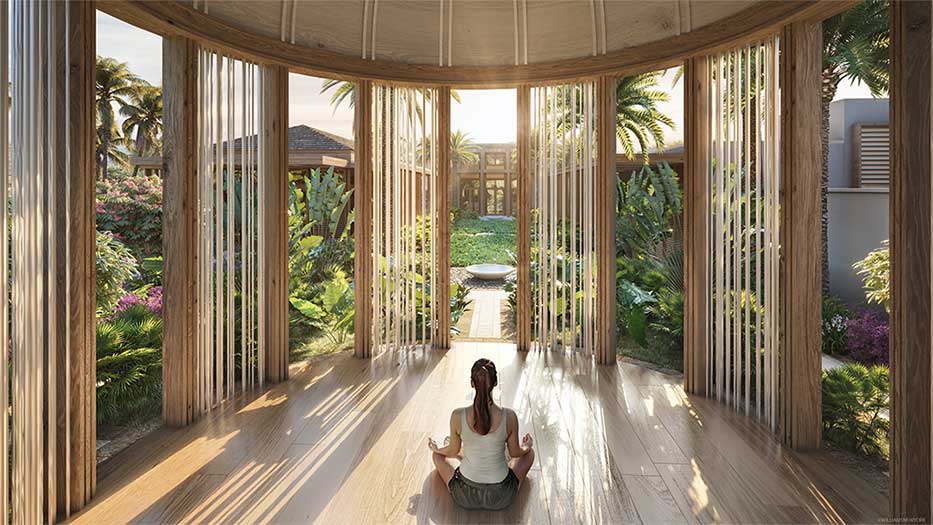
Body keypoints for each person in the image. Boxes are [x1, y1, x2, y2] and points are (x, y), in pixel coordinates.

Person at [428, 358, 535, 510]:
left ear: (472, 383)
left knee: (437, 456)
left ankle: (463, 454)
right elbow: (516, 452)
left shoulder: (457, 416)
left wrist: (437, 449)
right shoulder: (509, 417)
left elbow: (450, 450)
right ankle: (470, 455)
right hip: (501, 496)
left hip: (464, 495)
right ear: (495, 383)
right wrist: (527, 446)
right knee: (529, 455)